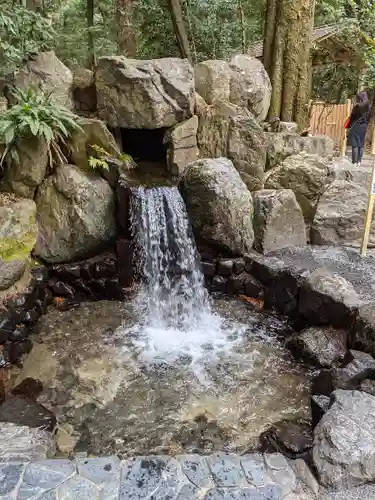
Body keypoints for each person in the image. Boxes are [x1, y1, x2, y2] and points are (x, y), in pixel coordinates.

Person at [347, 91, 372, 166]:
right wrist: (365, 124)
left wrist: (349, 126)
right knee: (361, 144)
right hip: (363, 126)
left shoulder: (357, 106)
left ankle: (354, 162)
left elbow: (352, 117)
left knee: (355, 144)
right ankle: (359, 161)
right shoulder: (369, 106)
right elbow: (368, 118)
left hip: (355, 126)